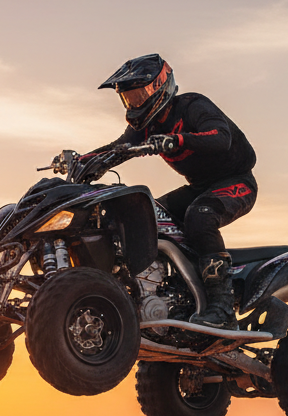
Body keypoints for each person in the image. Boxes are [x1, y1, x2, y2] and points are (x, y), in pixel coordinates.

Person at [76, 53, 257, 329]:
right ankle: (170, 295)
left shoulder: (191, 105)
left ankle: (222, 308)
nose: (135, 103)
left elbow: (221, 137)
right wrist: (83, 161)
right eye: (129, 97)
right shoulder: (147, 126)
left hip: (237, 181)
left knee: (200, 216)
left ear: (160, 86)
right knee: (148, 216)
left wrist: (177, 140)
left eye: (139, 94)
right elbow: (118, 148)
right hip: (199, 188)